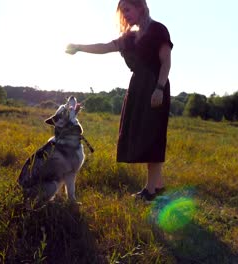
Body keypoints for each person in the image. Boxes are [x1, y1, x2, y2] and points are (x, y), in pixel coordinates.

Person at [66, 0, 173, 201]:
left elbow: (166, 61)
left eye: (127, 9)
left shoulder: (158, 29)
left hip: (154, 85)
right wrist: (79, 47)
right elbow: (105, 47)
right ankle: (158, 186)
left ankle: (150, 191)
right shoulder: (129, 37)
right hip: (137, 87)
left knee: (153, 135)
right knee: (142, 134)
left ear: (140, 7)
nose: (125, 14)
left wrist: (159, 88)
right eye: (122, 11)